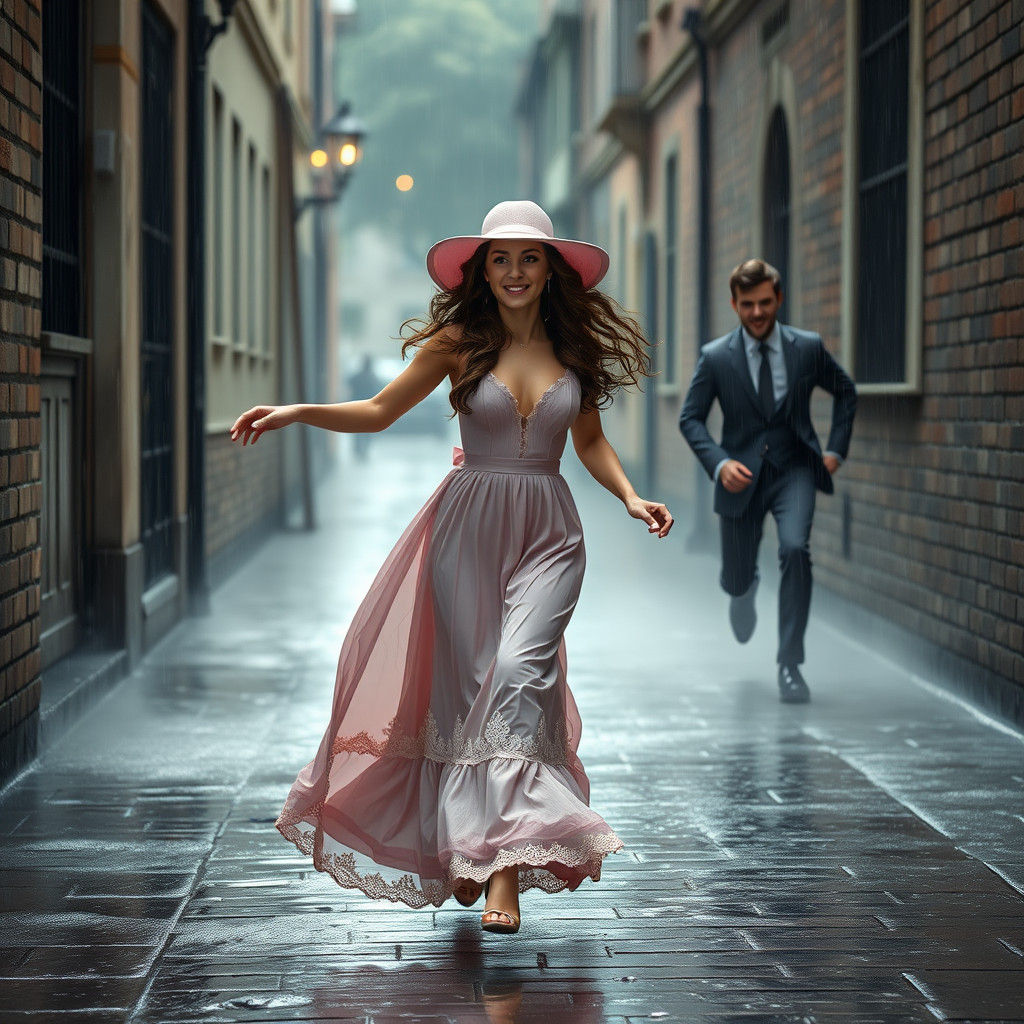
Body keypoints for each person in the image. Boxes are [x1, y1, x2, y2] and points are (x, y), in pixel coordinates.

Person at [231, 200, 673, 934]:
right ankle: (464, 851)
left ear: (551, 268)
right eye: (500, 259)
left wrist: (629, 496)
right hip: (466, 535)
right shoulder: (460, 342)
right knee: (467, 701)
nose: (514, 271)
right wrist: (296, 411)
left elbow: (590, 441)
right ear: (483, 270)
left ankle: (500, 872)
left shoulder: (572, 348)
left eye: (529, 258)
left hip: (550, 535)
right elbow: (378, 411)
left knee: (517, 679)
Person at [679, 258, 856, 703]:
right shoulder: (716, 357)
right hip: (738, 478)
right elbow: (691, 419)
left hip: (794, 470)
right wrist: (719, 463)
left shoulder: (807, 348)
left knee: (796, 549)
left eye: (764, 302)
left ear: (778, 299)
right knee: (736, 578)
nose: (757, 313)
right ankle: (744, 589)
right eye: (747, 305)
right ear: (735, 304)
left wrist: (834, 450)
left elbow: (845, 391)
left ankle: (790, 665)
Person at [344, 354, 383, 460]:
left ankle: (358, 450)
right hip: (370, 409)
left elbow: (349, 384)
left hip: (356, 407)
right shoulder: (373, 377)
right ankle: (363, 451)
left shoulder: (357, 376)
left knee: (357, 430)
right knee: (367, 431)